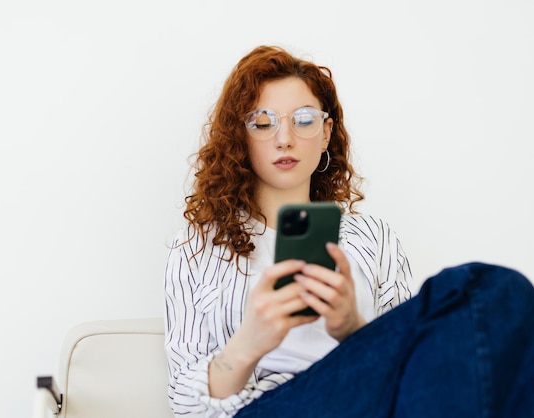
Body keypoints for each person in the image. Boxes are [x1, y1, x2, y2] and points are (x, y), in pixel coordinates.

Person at [163, 45, 534, 418]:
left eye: (304, 120)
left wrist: (351, 328)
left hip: (363, 399)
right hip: (267, 406)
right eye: (263, 122)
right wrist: (248, 343)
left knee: (495, 289)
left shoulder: (373, 239)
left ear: (326, 133)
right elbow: (183, 404)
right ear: (240, 137)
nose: (284, 138)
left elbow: (410, 358)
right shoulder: (197, 247)